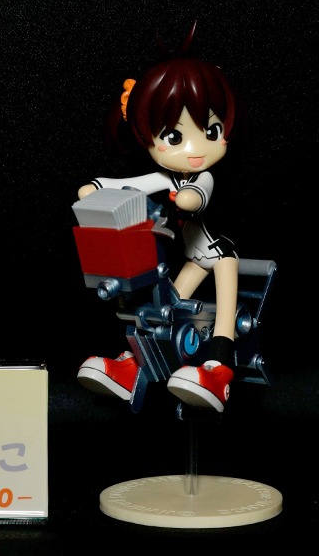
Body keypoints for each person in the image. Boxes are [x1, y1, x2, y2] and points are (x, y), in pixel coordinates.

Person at [77, 24, 241, 412]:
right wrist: (96, 187)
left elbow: (198, 195)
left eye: (211, 130)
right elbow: (130, 183)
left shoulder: (201, 177)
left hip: (217, 253)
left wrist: (187, 198)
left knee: (226, 298)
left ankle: (220, 370)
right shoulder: (164, 178)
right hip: (189, 257)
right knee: (163, 309)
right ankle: (132, 366)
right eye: (174, 137)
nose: (195, 149)